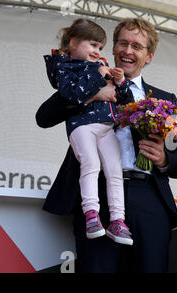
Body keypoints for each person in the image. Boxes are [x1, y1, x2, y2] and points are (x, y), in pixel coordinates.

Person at [36, 18, 177, 272]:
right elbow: (44, 117)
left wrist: (163, 158)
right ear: (114, 48)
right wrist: (95, 93)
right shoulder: (88, 79)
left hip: (149, 200)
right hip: (97, 196)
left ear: (148, 56)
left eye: (137, 47)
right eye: (123, 43)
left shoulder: (167, 100)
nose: (128, 51)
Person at [44, 18, 134, 245]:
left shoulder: (102, 68)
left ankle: (118, 221)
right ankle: (91, 215)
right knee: (91, 164)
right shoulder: (64, 67)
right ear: (73, 43)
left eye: (100, 48)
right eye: (93, 45)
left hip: (106, 128)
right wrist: (98, 78)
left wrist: (120, 82)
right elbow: (71, 92)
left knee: (114, 170)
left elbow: (124, 101)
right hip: (81, 127)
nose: (97, 51)